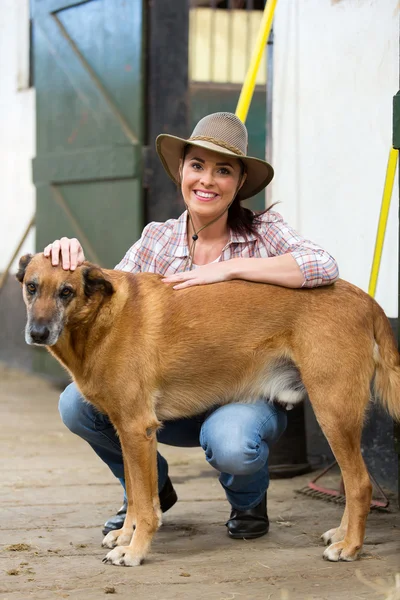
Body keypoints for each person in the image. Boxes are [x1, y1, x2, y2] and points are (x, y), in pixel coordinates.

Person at [45, 112, 339, 540]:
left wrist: (232, 270)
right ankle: (148, 493)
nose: (207, 180)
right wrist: (69, 259)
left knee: (234, 443)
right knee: (77, 404)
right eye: (197, 165)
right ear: (181, 171)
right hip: (175, 395)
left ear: (239, 184)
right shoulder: (157, 239)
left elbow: (324, 264)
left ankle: (248, 503)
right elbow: (108, 299)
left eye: (223, 171)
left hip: (246, 391)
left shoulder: (264, 231)